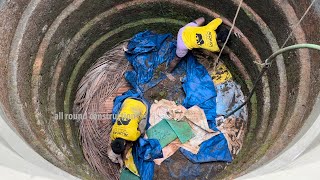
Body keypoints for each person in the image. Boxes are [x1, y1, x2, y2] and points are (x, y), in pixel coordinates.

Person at [167, 17, 243, 72]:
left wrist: (234, 28)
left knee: (202, 19)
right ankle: (168, 72)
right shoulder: (213, 46)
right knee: (176, 59)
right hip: (183, 43)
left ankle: (197, 35)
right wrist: (229, 52)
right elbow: (217, 51)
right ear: (219, 41)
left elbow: (222, 18)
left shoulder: (210, 27)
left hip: (184, 30)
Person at [108, 98, 147, 166]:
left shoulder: (132, 137)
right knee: (120, 114)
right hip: (127, 101)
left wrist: (142, 133)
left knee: (142, 129)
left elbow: (140, 132)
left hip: (141, 105)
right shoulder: (113, 132)